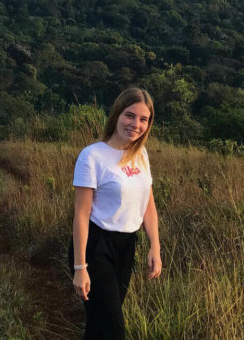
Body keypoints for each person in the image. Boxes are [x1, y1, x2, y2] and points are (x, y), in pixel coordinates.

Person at [70, 88, 161, 339]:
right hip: (96, 246)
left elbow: (148, 204)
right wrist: (80, 266)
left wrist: (155, 246)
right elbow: (81, 215)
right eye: (129, 115)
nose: (135, 124)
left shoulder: (141, 154)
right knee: (114, 329)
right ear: (117, 114)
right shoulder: (92, 156)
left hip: (126, 246)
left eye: (143, 119)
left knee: (100, 324)